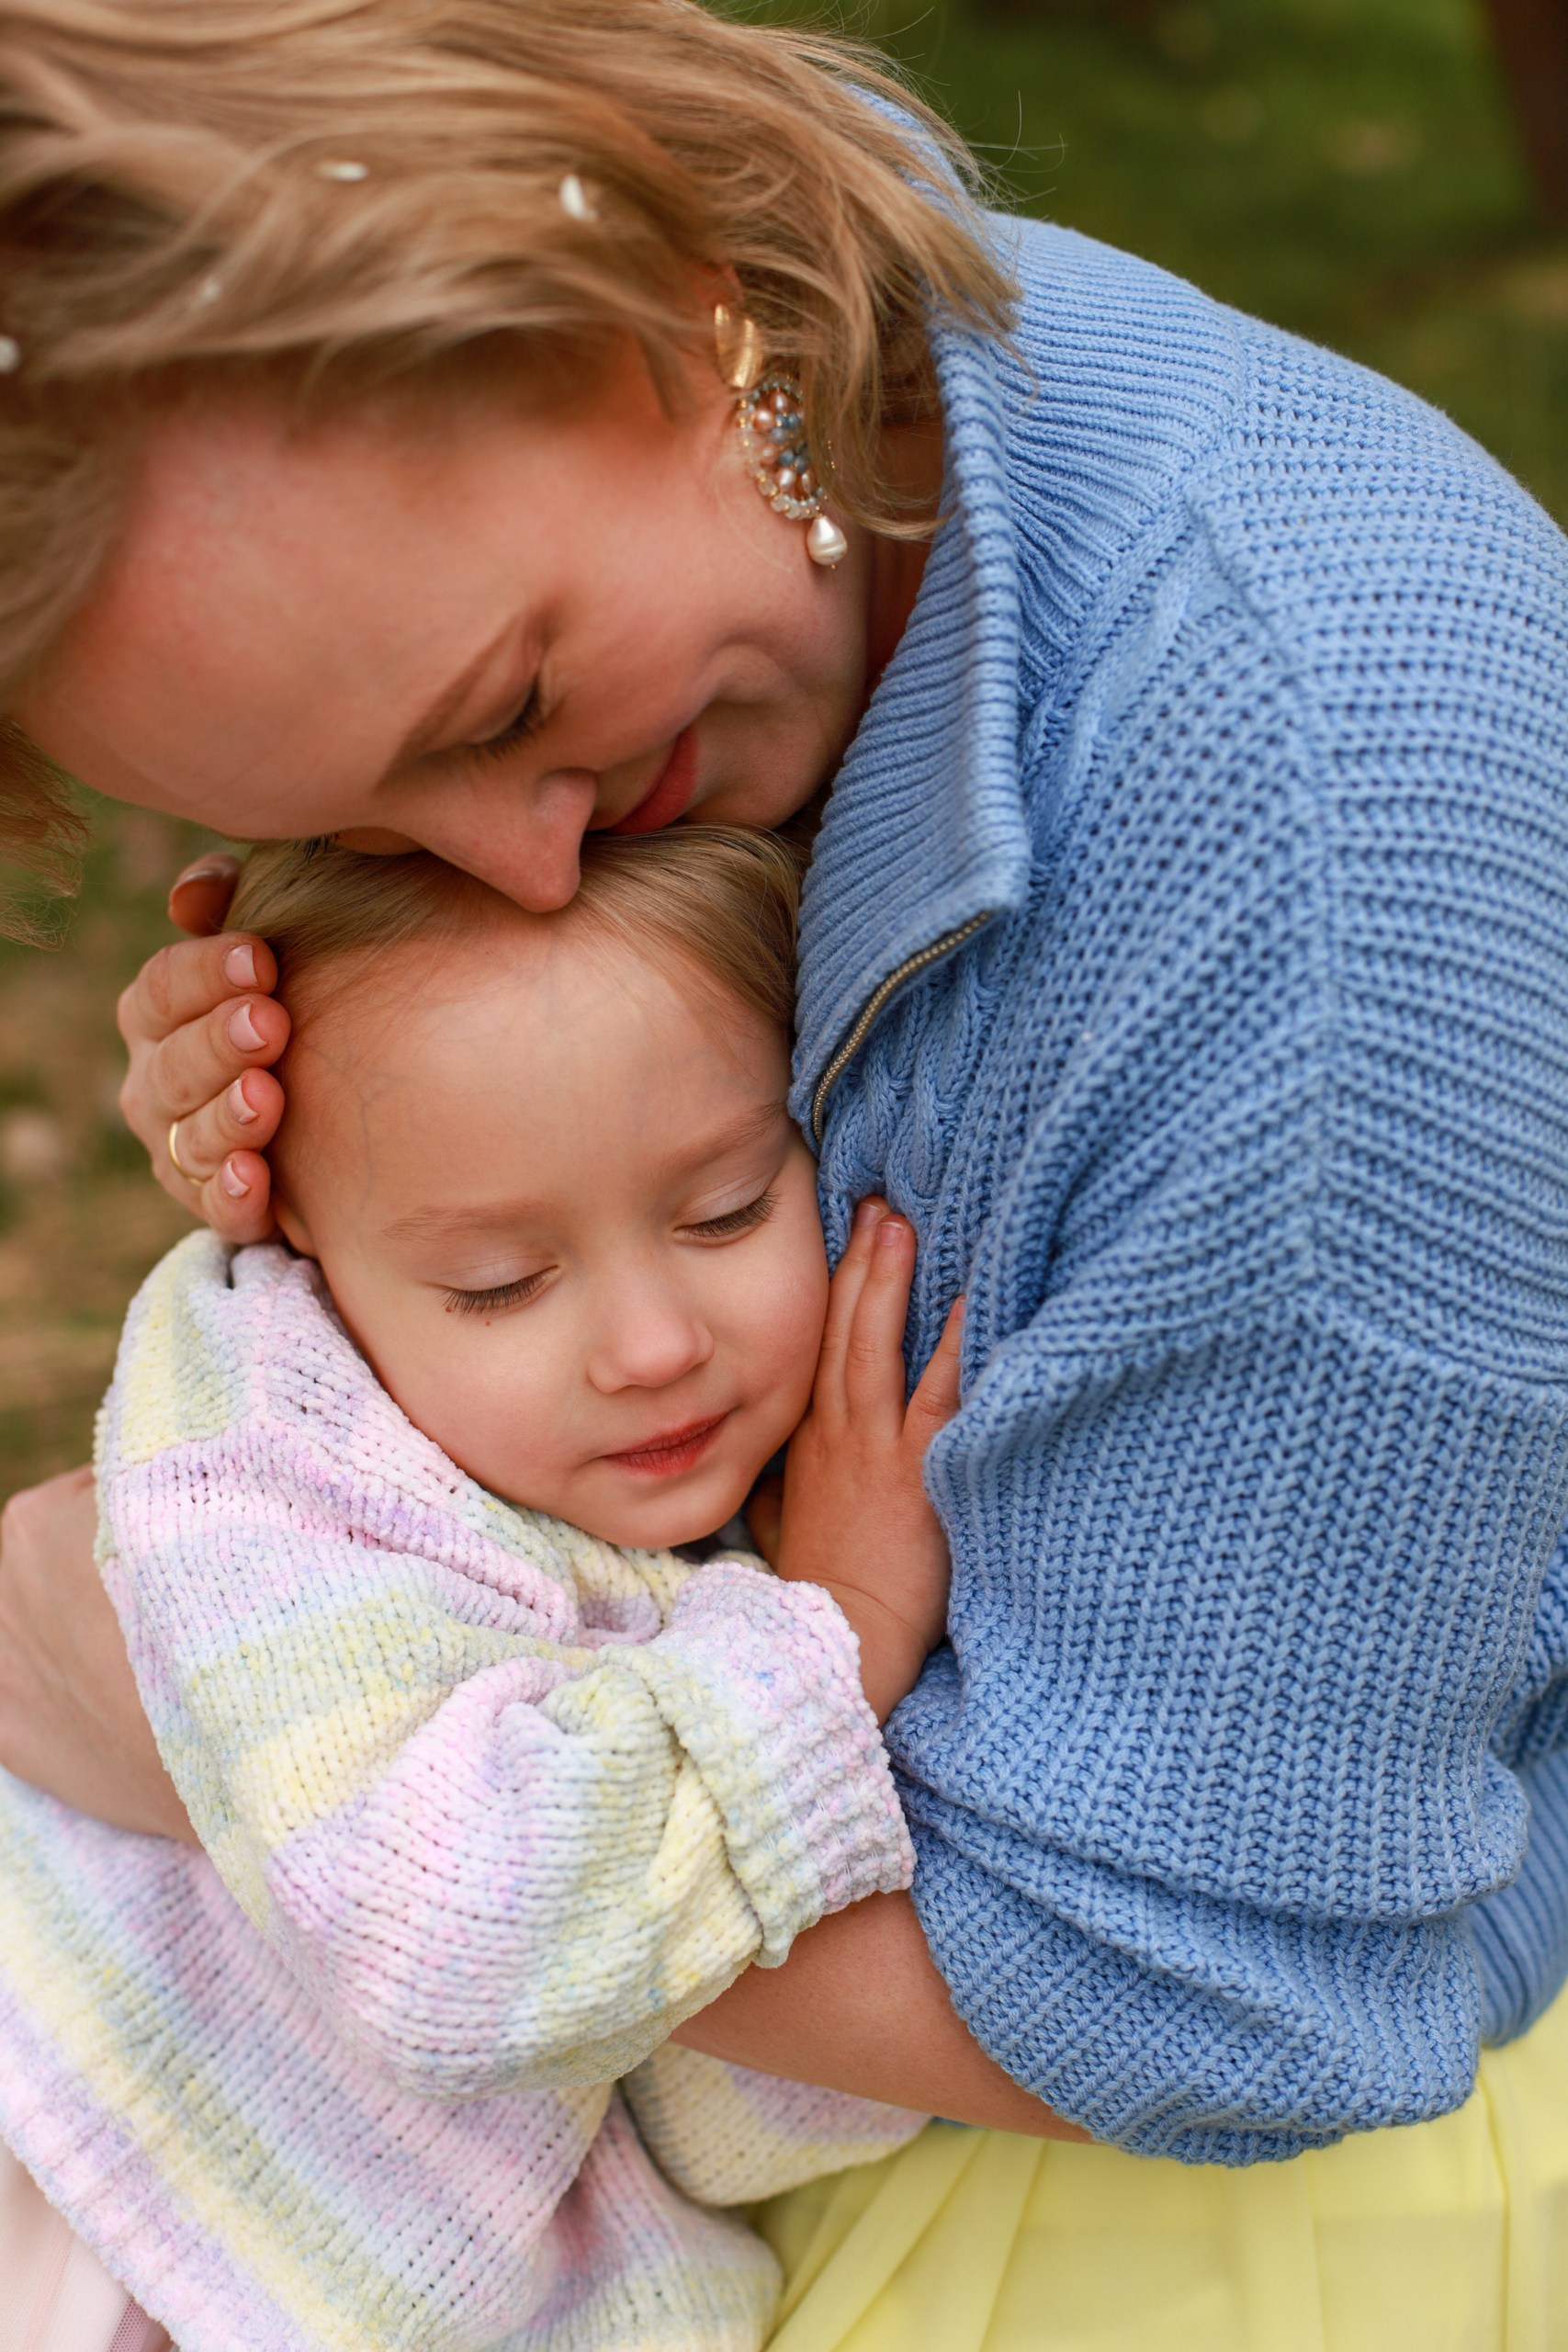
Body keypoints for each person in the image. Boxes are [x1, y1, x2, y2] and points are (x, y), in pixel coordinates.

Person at [0, 2, 1564, 2344]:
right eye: (339, 827)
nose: (511, 875)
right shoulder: (819, 490)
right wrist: (364, 1143)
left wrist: (270, 1778)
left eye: (507, 711)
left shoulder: (1319, 820)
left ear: (667, 315)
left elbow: (1210, 1997)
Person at [0, 826, 972, 2350]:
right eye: (501, 1285)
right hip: (105, 2198)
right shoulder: (269, 1440)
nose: (650, 1344)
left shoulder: (737, 1531)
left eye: (725, 1208)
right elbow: (459, 1949)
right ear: (297, 1233)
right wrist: (838, 1640)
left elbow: (745, 2123)